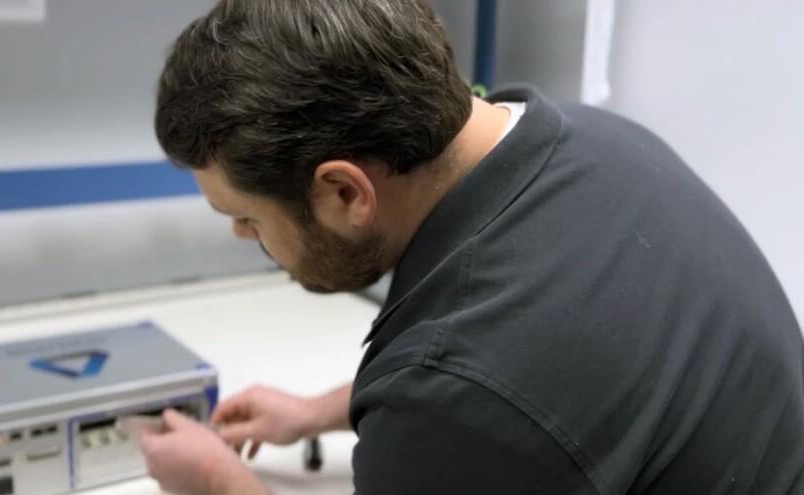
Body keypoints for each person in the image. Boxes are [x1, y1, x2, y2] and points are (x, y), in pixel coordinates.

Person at [139, 0, 804, 493]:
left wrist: (220, 483)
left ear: (345, 193)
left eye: (248, 220)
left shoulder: (451, 393)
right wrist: (318, 410)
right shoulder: (591, 136)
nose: (240, 235)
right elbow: (541, 373)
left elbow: (472, 390)